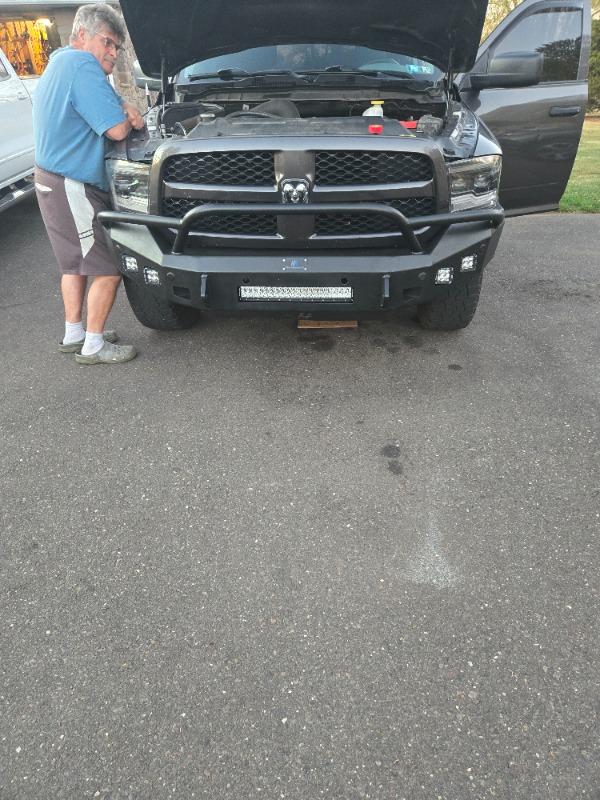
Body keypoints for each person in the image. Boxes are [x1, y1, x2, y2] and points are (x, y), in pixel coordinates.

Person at [33, 4, 144, 365]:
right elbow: (115, 130)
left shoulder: (60, 61)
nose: (112, 52)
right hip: (73, 184)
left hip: (51, 179)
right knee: (108, 268)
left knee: (73, 265)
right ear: (81, 36)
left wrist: (121, 101)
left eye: (116, 47)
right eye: (107, 43)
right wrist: (128, 115)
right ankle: (94, 346)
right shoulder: (82, 65)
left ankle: (75, 333)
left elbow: (96, 105)